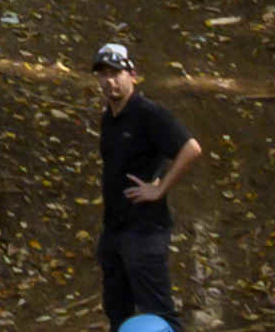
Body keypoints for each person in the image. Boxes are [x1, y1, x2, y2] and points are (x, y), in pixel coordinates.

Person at [86, 42, 206, 326]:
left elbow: (191, 148)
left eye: (115, 73)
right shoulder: (109, 118)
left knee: (159, 314)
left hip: (145, 231)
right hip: (114, 230)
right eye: (103, 74)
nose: (109, 81)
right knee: (117, 311)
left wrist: (160, 188)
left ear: (132, 75)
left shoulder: (148, 113)